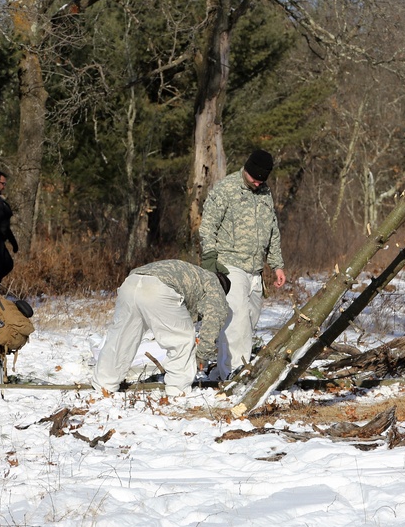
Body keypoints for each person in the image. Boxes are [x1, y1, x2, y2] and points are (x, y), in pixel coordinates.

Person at [198, 149, 286, 380]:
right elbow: (207, 227)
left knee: (250, 319)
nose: (257, 183)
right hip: (229, 264)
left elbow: (272, 230)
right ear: (246, 169)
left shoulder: (265, 192)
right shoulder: (225, 189)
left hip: (255, 269)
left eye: (262, 179)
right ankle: (236, 374)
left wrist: (277, 265)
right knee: (237, 321)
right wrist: (210, 261)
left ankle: (221, 369)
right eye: (254, 178)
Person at [92, 260, 230, 396]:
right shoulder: (215, 285)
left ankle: (104, 385)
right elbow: (213, 320)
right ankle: (178, 390)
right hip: (158, 288)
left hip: (130, 283)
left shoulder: (194, 273)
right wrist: (202, 355)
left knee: (121, 339)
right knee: (181, 340)